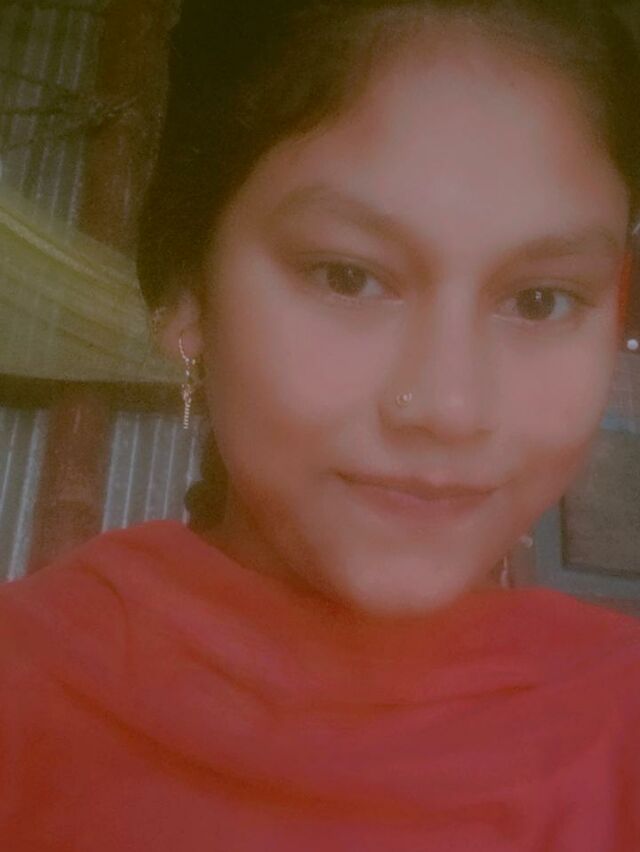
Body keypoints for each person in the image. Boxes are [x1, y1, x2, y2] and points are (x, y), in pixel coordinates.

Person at [1, 1, 639, 848]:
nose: (449, 408)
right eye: (347, 277)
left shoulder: (621, 727)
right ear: (186, 291)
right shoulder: (25, 697)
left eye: (540, 299)